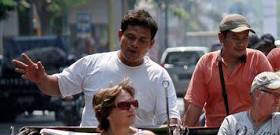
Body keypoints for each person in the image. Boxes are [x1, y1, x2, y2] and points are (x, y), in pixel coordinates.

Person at [12, 9, 180, 127]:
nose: (134, 44)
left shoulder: (159, 77)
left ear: (151, 44)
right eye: (130, 37)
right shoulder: (92, 64)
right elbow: (58, 87)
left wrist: (174, 126)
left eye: (142, 40)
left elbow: (169, 119)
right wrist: (42, 79)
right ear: (120, 35)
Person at [183, 14, 273, 128]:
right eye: (235, 38)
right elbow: (195, 106)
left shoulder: (257, 59)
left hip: (253, 132)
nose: (241, 43)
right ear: (221, 38)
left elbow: (274, 97)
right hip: (215, 133)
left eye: (245, 38)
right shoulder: (206, 62)